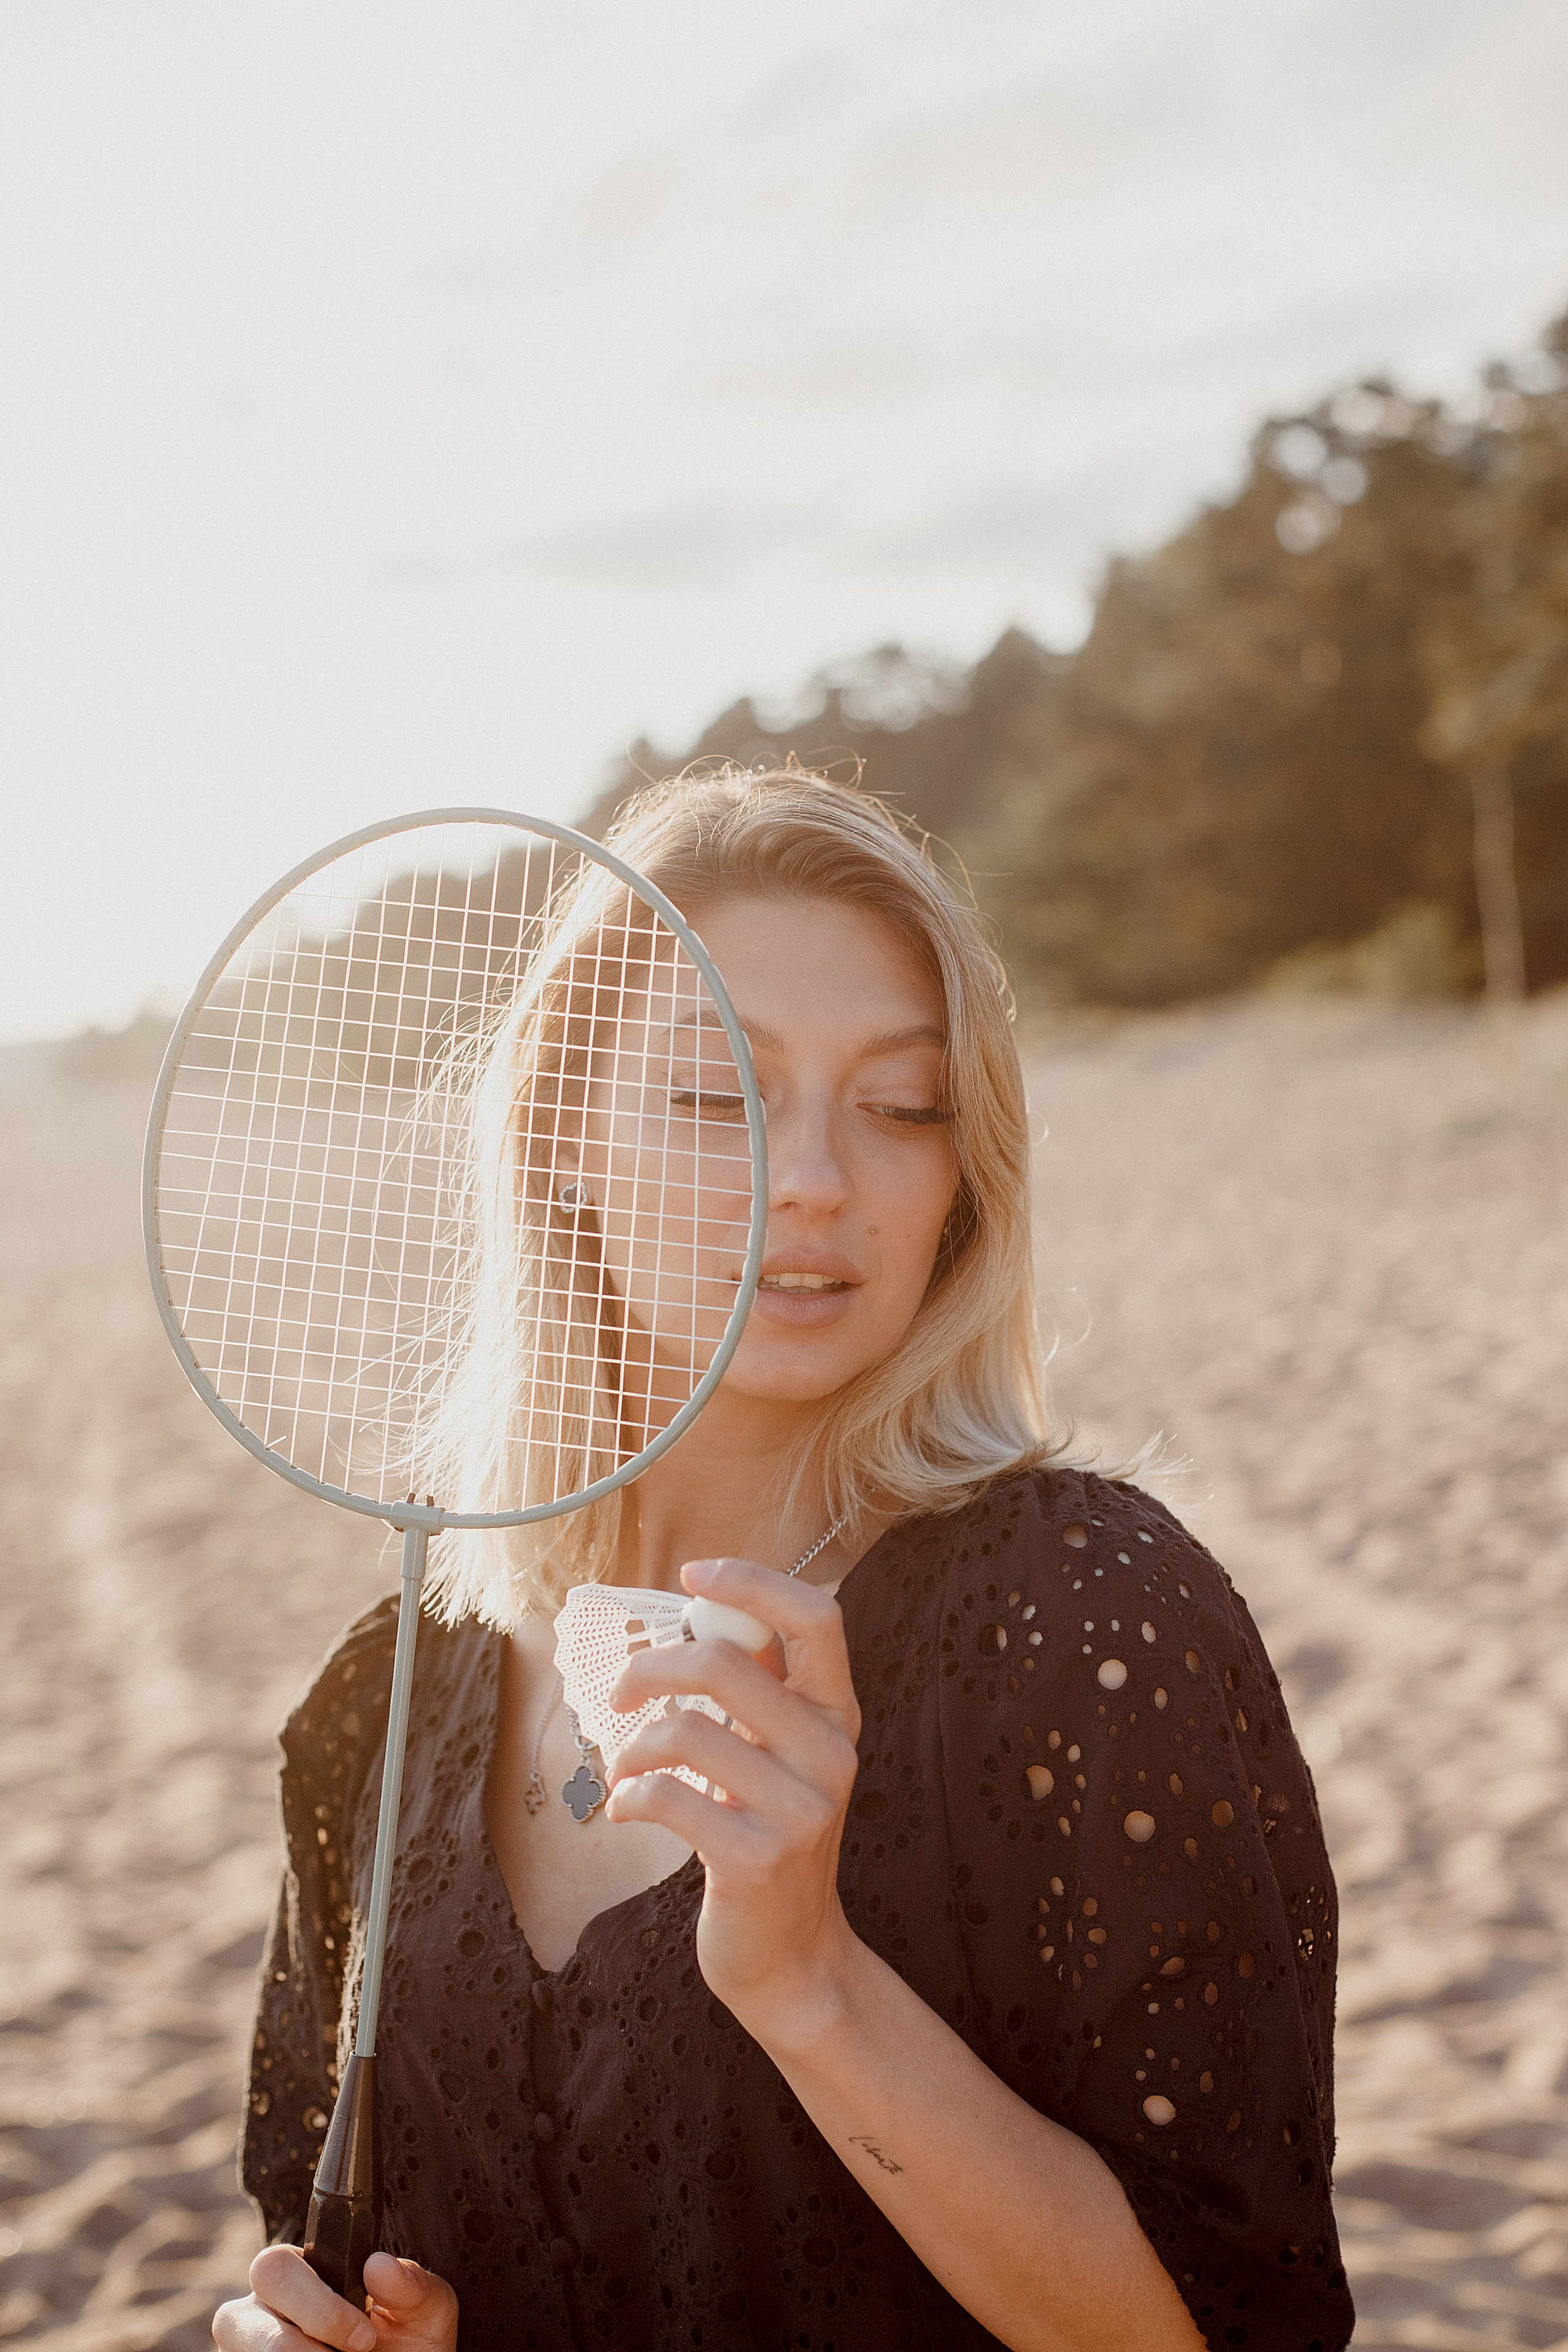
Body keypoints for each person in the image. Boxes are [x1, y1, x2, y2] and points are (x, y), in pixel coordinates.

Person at [214, 771, 1353, 2352]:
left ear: (961, 1182)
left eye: (902, 1105)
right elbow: (313, 2240)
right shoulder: (388, 1700)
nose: (813, 1176)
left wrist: (811, 1980)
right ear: (560, 1138)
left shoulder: (1086, 1619)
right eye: (713, 1096)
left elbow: (1231, 2329)